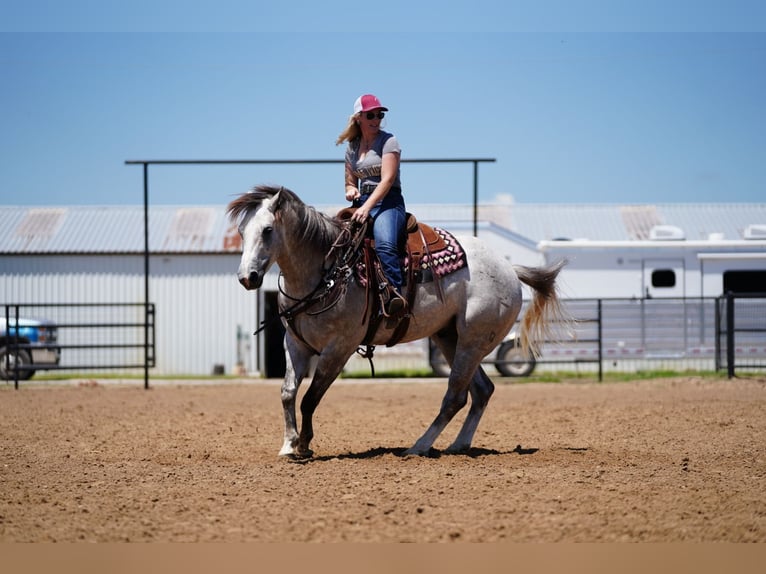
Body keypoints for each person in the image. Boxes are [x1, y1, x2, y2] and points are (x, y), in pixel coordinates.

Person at [336, 94, 407, 316]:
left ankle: (396, 298)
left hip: (388, 202)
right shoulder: (352, 147)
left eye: (379, 114)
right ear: (359, 118)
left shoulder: (389, 141)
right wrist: (350, 190)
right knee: (337, 244)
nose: (376, 119)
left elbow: (387, 180)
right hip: (362, 202)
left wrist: (366, 208)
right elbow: (349, 181)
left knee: (385, 245)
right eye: (371, 115)